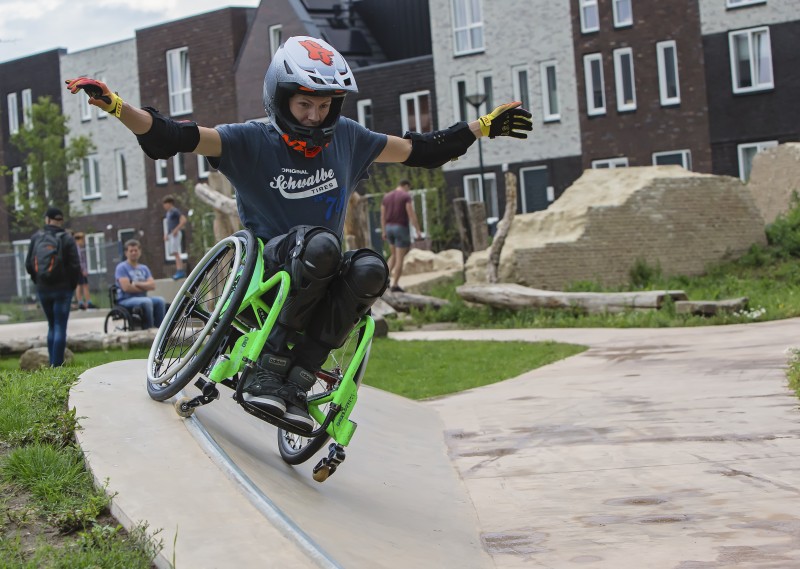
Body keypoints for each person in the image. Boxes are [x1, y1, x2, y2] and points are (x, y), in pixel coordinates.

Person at [65, 35, 532, 430]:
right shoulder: (249, 139)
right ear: (281, 98)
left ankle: (300, 378)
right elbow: (172, 135)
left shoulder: (348, 137)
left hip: (322, 270)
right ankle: (267, 371)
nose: (313, 115)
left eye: (323, 105)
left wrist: (482, 126)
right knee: (323, 245)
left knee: (370, 268)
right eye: (304, 103)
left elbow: (422, 151)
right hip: (268, 267)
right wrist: (115, 105)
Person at [25, 207, 82, 366]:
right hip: (63, 289)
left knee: (51, 325)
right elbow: (75, 266)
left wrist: (38, 281)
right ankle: (56, 367)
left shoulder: (37, 237)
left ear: (47, 219)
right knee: (60, 326)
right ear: (60, 221)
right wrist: (71, 286)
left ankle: (52, 362)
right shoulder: (67, 238)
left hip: (44, 289)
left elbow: (29, 263)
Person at [381, 179, 423, 292]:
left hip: (389, 228)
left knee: (393, 255)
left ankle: (383, 282)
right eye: (409, 188)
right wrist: (418, 230)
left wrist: (383, 230)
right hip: (400, 228)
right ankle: (395, 285)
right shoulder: (405, 196)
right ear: (406, 186)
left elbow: (383, 215)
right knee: (400, 258)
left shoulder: (387, 197)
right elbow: (411, 213)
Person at [114, 239, 167, 330]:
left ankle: (161, 330)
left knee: (160, 301)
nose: (134, 253)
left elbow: (152, 285)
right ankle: (149, 329)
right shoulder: (121, 268)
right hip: (126, 299)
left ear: (140, 252)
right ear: (126, 253)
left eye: (136, 250)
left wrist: (135, 283)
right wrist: (145, 286)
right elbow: (126, 288)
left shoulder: (144, 268)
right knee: (147, 302)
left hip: (142, 298)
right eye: (131, 251)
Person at [162, 195, 188, 279]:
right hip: (171, 234)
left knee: (176, 252)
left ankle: (180, 270)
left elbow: (183, 220)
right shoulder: (168, 213)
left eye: (165, 204)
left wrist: (176, 229)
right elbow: (169, 225)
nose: (164, 206)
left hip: (175, 233)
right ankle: (179, 269)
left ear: (169, 203)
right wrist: (166, 234)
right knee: (174, 252)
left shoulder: (174, 211)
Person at [72, 231, 96, 309]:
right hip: (79, 270)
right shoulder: (76, 249)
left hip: (79, 270)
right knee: (82, 285)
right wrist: (83, 270)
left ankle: (84, 302)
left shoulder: (78, 248)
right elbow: (79, 260)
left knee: (82, 285)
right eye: (82, 240)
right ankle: (85, 302)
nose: (84, 242)